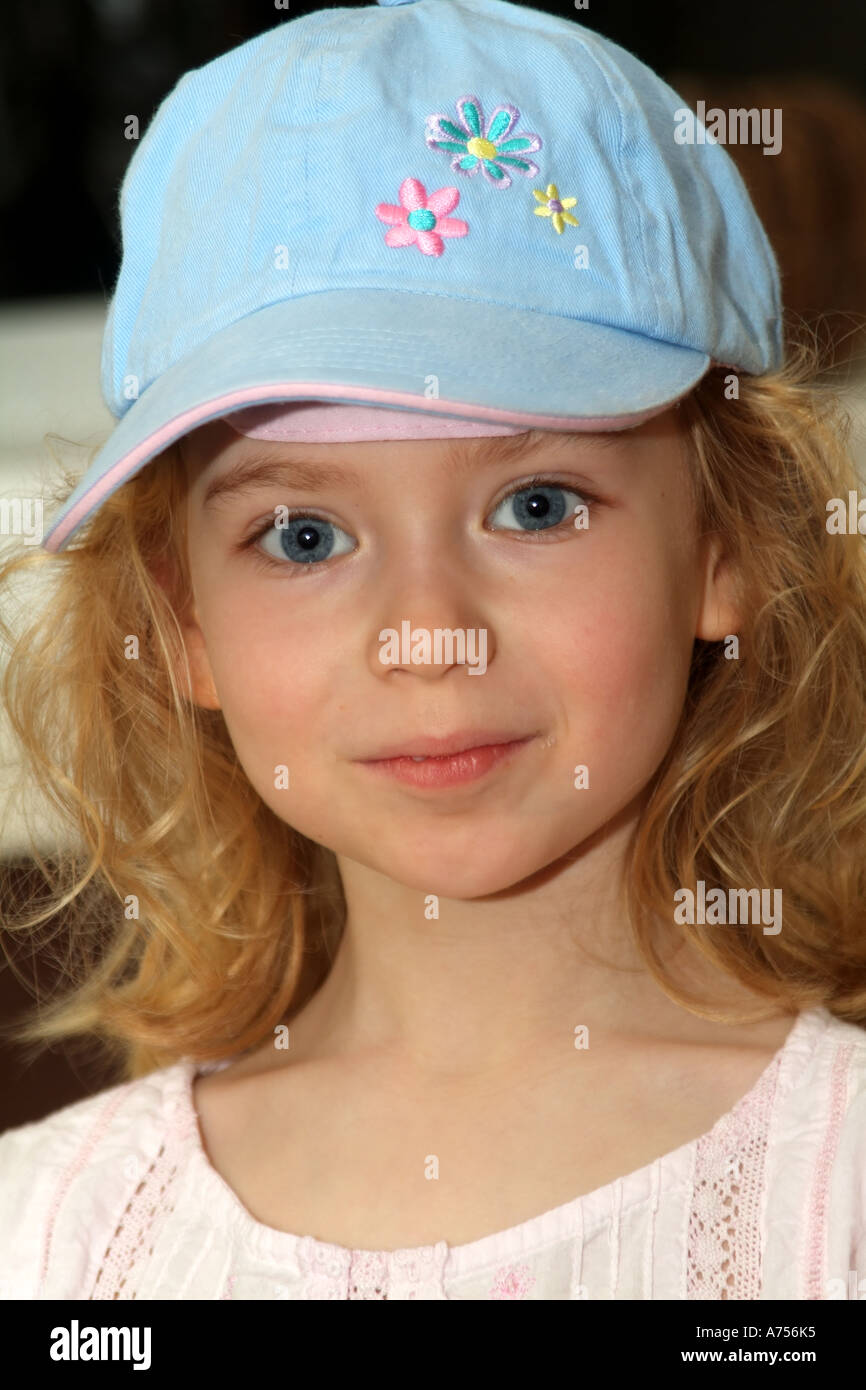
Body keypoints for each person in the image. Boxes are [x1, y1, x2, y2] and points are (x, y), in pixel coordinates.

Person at [1, 0, 864, 1302]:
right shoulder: (52, 1230)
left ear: (722, 549)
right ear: (184, 620)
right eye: (302, 534)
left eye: (534, 505)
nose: (427, 635)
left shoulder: (833, 1197)